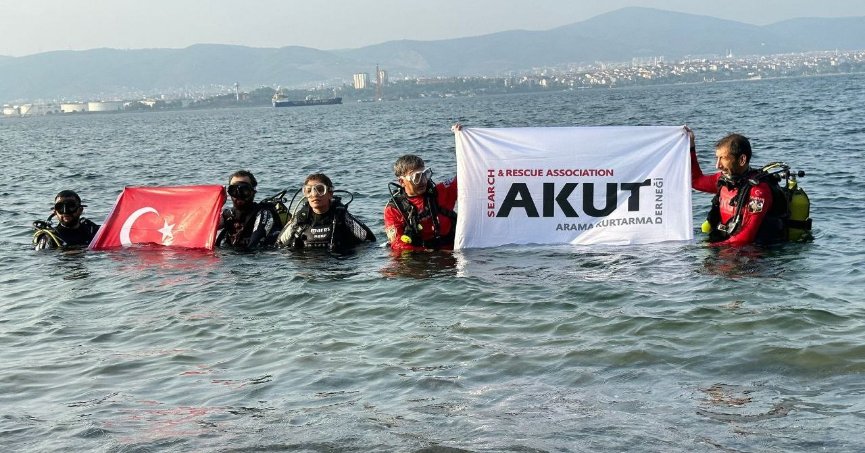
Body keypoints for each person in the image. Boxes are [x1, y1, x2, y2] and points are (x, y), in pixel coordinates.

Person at [689, 129, 785, 246]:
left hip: (751, 255)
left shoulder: (758, 191)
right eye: (717, 158)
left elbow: (746, 236)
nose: (717, 165)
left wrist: (710, 247)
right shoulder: (723, 180)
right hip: (727, 246)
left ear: (742, 160)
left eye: (723, 158)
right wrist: (691, 147)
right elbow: (695, 181)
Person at [277, 173, 376, 251]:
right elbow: (279, 245)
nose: (314, 194)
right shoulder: (300, 219)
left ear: (330, 194)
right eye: (309, 190)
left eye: (320, 189)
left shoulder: (342, 217)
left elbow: (370, 242)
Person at [384, 153, 458, 252]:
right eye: (416, 177)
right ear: (402, 182)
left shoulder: (441, 192)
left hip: (451, 252)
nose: (423, 181)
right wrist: (425, 253)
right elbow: (397, 244)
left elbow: (465, 178)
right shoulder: (394, 209)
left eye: (424, 175)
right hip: (419, 258)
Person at [216, 170, 283, 249]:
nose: (239, 195)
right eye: (234, 190)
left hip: (256, 257)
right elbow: (203, 228)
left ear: (253, 191)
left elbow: (254, 243)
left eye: (244, 190)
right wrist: (219, 204)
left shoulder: (263, 213)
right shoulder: (227, 215)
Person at [33, 190, 101, 250]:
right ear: (55, 212)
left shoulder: (93, 231)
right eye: (60, 207)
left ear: (80, 210)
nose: (65, 212)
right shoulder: (51, 237)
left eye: (71, 206)